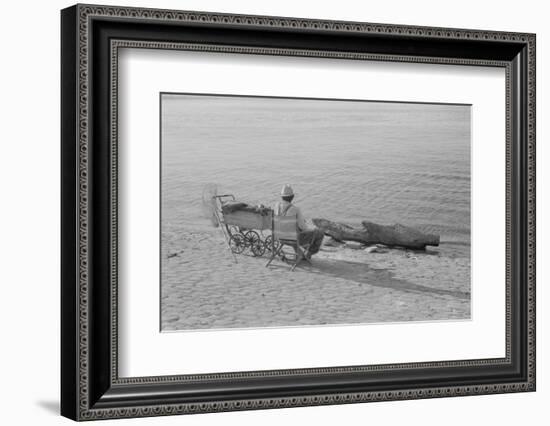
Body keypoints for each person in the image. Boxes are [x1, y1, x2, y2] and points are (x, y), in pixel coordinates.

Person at [273, 184, 324, 259]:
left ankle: (300, 253)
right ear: (292, 197)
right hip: (293, 239)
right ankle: (308, 254)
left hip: (279, 237)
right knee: (320, 232)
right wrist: (312, 229)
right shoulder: (295, 209)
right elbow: (303, 227)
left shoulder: (276, 206)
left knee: (293, 229)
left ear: (282, 196)